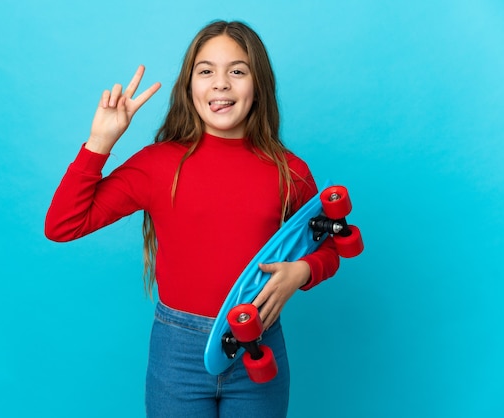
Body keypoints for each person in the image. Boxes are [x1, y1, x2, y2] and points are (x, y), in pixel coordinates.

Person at [45, 20, 340, 418]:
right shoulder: (158, 164)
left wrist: (301, 272)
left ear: (259, 86)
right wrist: (100, 143)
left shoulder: (289, 170)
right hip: (176, 352)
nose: (221, 83)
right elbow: (63, 224)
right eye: (206, 71)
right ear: (189, 87)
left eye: (237, 71)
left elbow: (332, 242)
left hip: (259, 339)